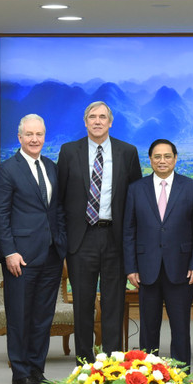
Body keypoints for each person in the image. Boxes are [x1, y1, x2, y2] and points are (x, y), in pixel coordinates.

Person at [57, 101, 142, 361]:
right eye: (92, 117)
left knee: (113, 303)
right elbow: (59, 199)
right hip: (81, 239)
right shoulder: (69, 151)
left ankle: (113, 360)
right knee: (82, 303)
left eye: (102, 117)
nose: (97, 121)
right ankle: (84, 361)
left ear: (110, 122)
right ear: (85, 121)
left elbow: (136, 199)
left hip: (114, 238)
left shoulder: (127, 152)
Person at [0, 114, 66, 384]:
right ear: (20, 137)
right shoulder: (7, 169)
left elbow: (57, 209)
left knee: (42, 317)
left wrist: (61, 242)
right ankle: (20, 373)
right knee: (20, 315)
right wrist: (9, 251)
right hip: (20, 257)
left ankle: (37, 370)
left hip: (51, 255)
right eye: (29, 135)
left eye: (39, 134)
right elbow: (0, 215)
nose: (35, 139)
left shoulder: (51, 167)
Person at [123, 139, 193, 368]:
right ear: (150, 159)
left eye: (167, 156)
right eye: (157, 156)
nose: (162, 161)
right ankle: (146, 375)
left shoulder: (190, 187)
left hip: (181, 269)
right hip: (146, 269)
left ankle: (180, 377)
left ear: (175, 158)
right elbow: (128, 231)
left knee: (180, 326)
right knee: (148, 328)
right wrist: (130, 267)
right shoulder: (136, 189)